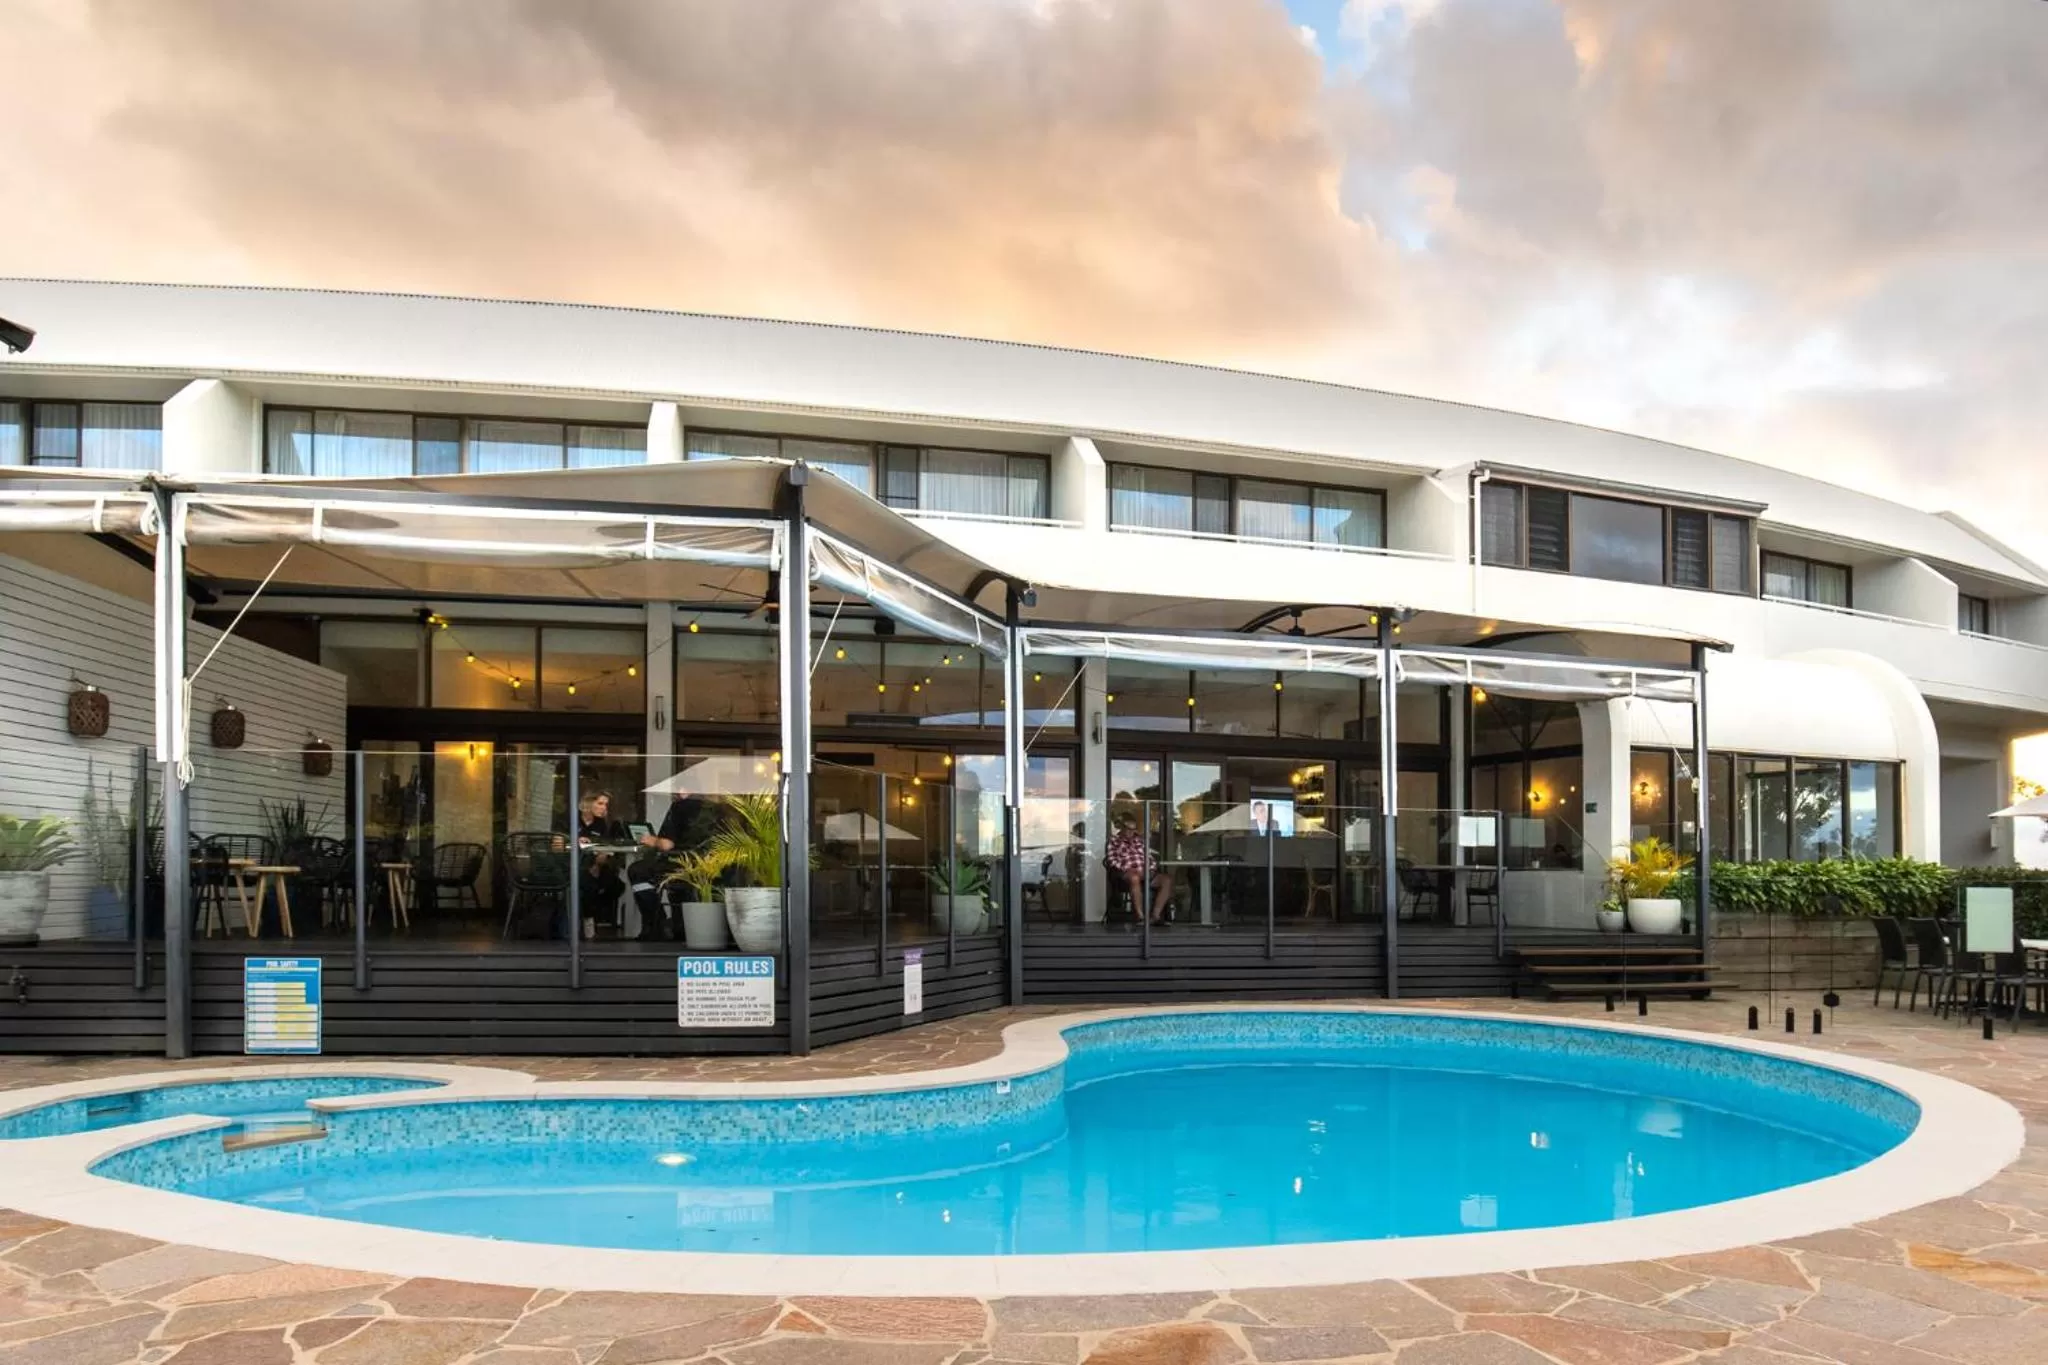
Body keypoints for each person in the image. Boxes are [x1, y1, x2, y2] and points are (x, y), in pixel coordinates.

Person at [628, 784, 721, 940]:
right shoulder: (716, 809)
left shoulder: (680, 807)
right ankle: (676, 925)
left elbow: (666, 845)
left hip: (682, 863)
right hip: (711, 867)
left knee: (637, 870)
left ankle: (656, 925)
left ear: (683, 790)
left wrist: (652, 840)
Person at [1105, 810, 1173, 926]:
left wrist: (1151, 868)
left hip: (1145, 871)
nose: (1132, 832)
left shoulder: (1140, 840)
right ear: (1121, 827)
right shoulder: (1114, 840)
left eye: (1133, 829)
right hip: (1127, 873)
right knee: (1134, 878)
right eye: (1128, 829)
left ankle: (1155, 916)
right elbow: (1111, 860)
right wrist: (1125, 868)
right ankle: (1140, 917)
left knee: (1167, 880)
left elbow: (1150, 858)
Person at [577, 792, 630, 934]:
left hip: (593, 864)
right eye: (600, 803)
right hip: (571, 865)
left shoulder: (600, 823)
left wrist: (598, 863)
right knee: (588, 884)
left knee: (616, 885)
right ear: (588, 804)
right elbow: (558, 843)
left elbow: (604, 846)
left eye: (606, 804)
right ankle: (588, 918)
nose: (604, 808)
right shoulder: (570, 819)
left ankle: (592, 914)